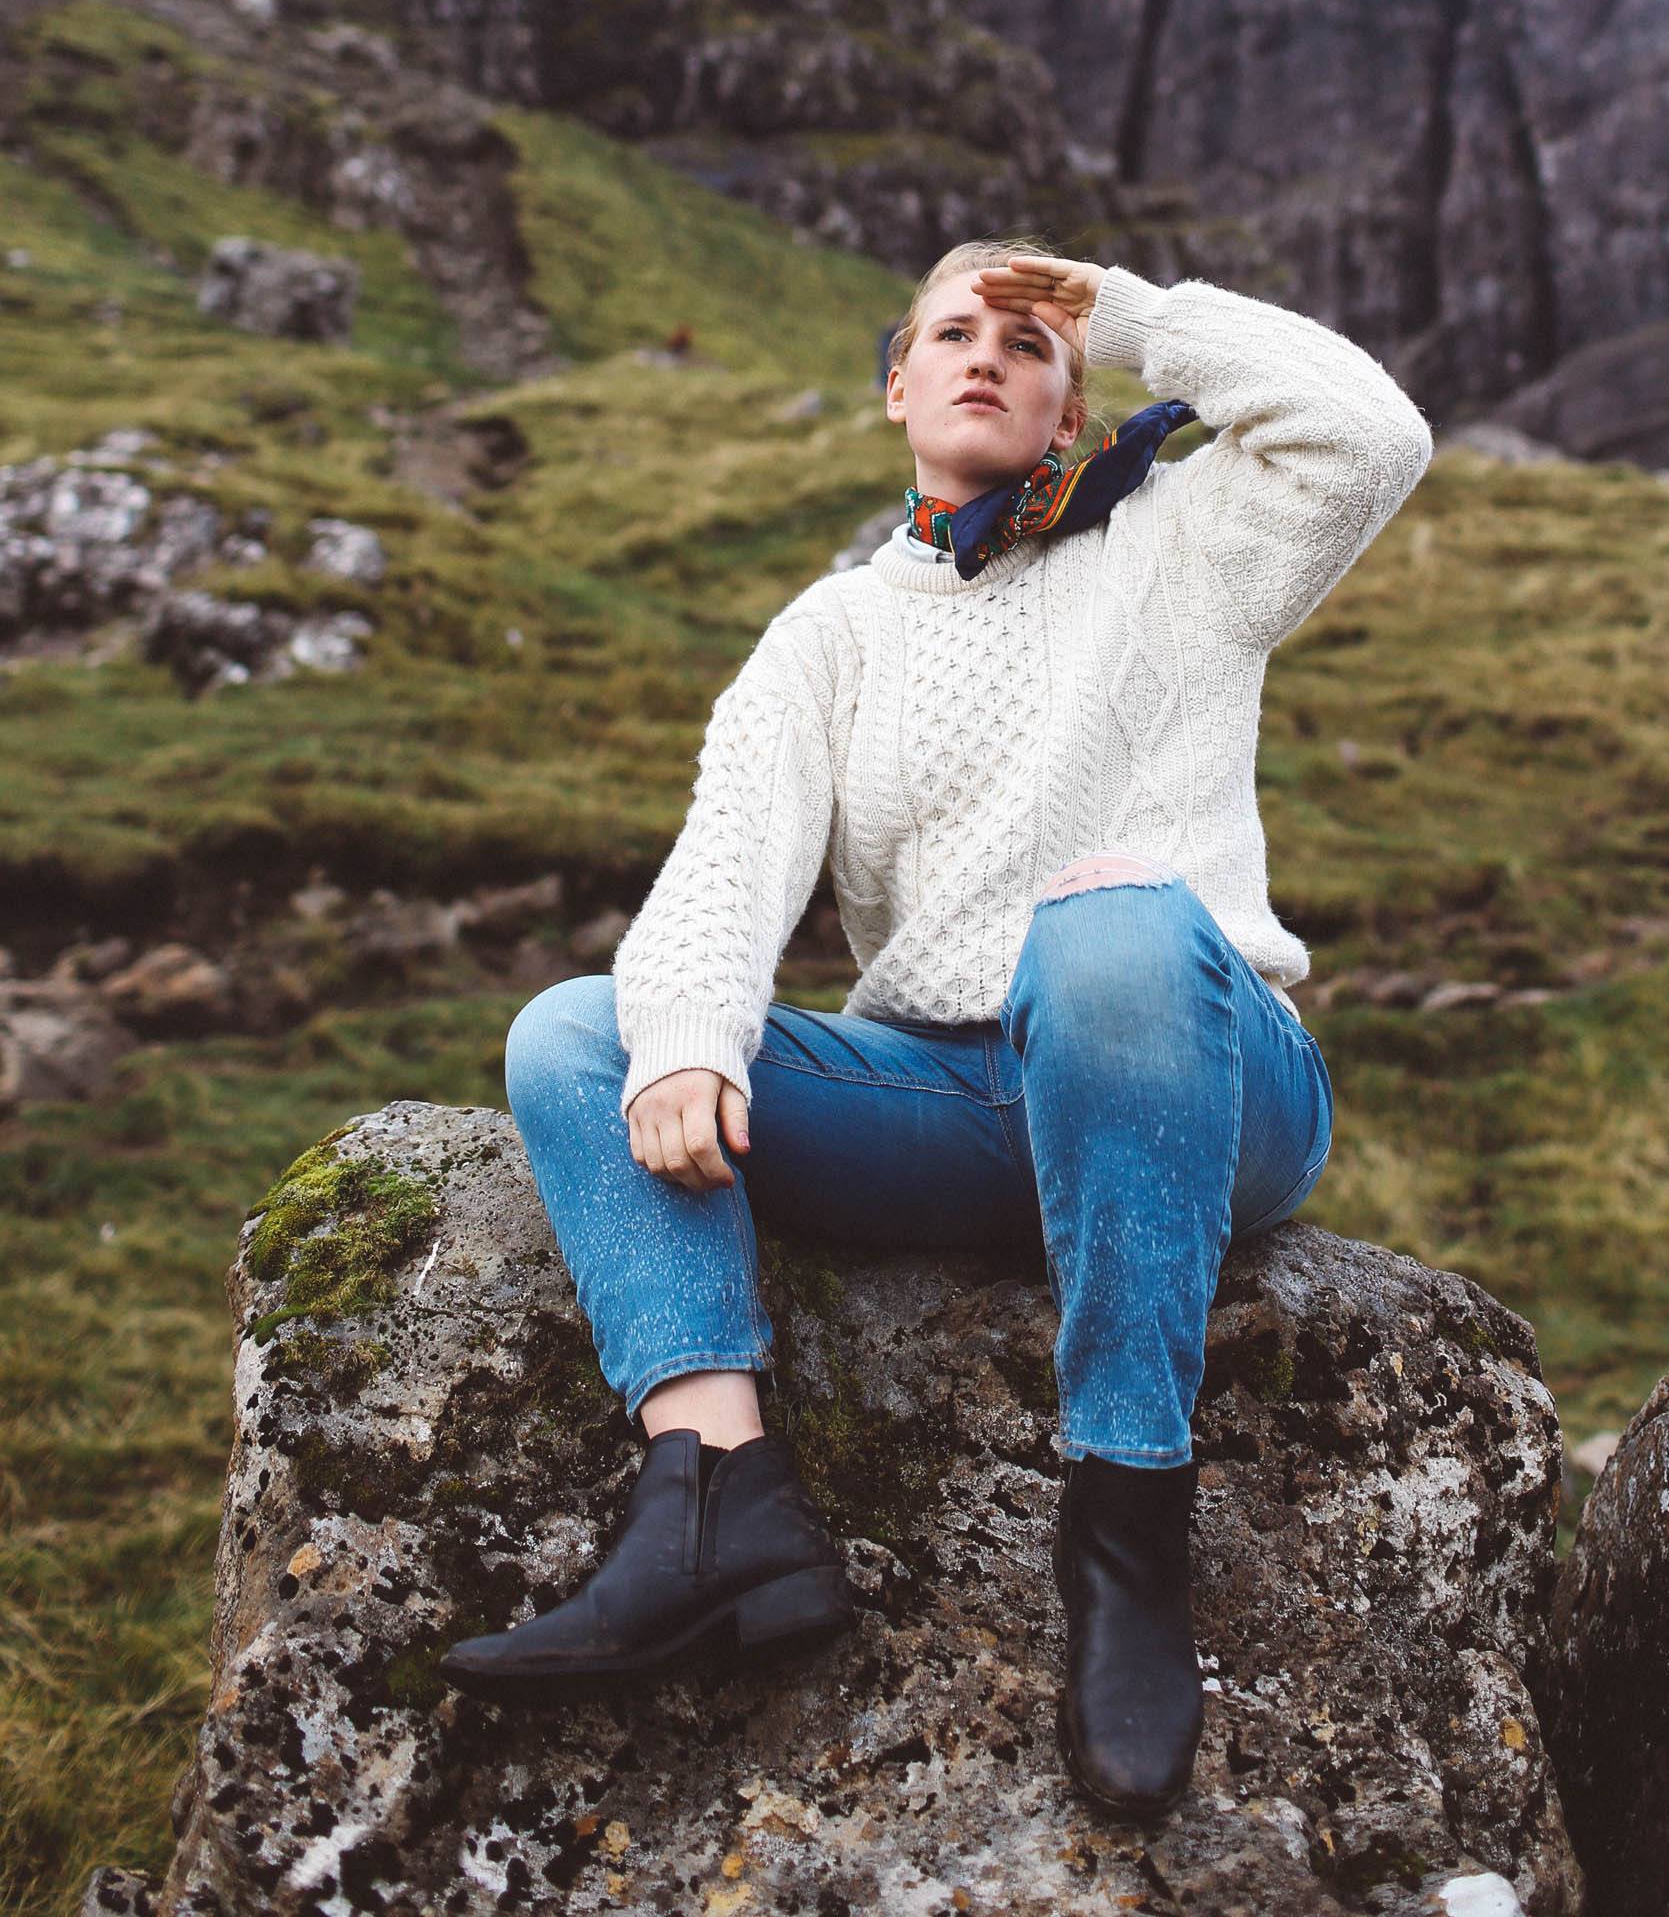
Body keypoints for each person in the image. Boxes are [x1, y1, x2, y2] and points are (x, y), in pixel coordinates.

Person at [442, 241, 1433, 1816]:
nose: (986, 354)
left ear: (1069, 404)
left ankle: (1125, 1534)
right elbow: (725, 862)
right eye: (952, 333)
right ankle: (719, 1498)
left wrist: (1128, 308)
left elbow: (1371, 435)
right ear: (897, 386)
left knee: (1109, 915)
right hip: (954, 1106)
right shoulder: (829, 633)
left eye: (1028, 345)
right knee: (581, 1030)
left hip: (1198, 1073)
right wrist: (692, 1034)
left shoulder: (1190, 543)